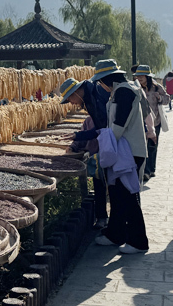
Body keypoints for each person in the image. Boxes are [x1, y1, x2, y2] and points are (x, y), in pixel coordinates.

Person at [91, 63, 152, 254]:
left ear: (106, 80)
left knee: (127, 197)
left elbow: (119, 124)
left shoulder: (124, 92)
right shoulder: (127, 89)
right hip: (127, 150)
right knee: (117, 195)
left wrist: (105, 143)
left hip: (129, 152)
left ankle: (139, 241)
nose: (101, 86)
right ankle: (115, 234)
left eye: (100, 83)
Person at [58, 72, 110, 230]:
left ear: (76, 92)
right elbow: (85, 134)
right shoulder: (89, 112)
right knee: (99, 185)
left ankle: (114, 223)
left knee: (112, 188)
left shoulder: (98, 99)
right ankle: (103, 218)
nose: (72, 103)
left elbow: (100, 130)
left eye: (70, 99)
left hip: (109, 151)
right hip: (99, 154)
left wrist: (77, 135)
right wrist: (74, 144)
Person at [134, 65, 168, 182]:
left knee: (152, 146)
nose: (139, 78)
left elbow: (167, 99)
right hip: (141, 122)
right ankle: (146, 171)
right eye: (137, 76)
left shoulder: (156, 87)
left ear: (147, 77)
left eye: (141, 76)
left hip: (156, 121)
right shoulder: (135, 87)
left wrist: (160, 98)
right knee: (144, 147)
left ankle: (152, 169)